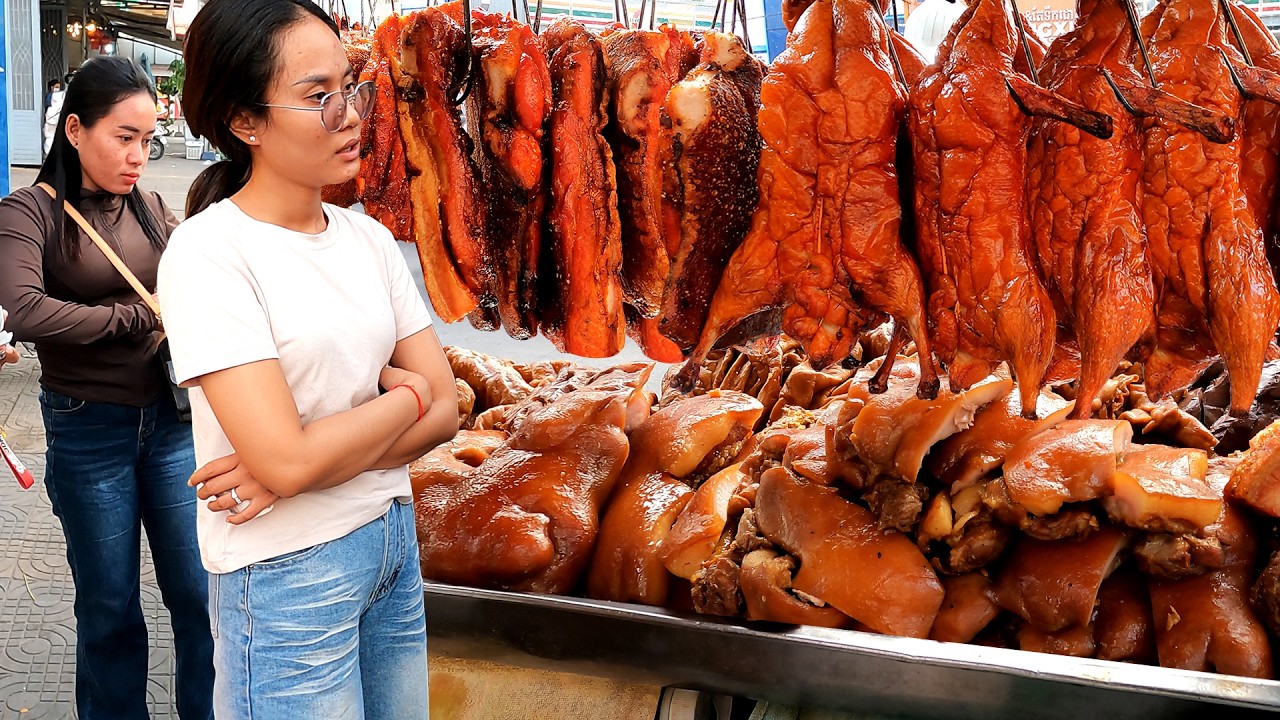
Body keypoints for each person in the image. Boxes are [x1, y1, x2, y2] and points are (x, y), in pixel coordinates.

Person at [159, 0, 458, 716]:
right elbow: (416, 406)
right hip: (288, 574)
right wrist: (405, 399)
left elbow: (451, 413)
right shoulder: (210, 254)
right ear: (244, 121)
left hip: (391, 546)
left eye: (350, 88)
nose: (350, 114)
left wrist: (299, 467)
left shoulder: (368, 240)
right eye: (317, 97)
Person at [0, 57, 214, 719]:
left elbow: (194, 278)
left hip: (171, 425)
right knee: (109, 604)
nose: (139, 156)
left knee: (198, 596)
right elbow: (24, 308)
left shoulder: (150, 207)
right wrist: (131, 317)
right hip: (88, 429)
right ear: (73, 130)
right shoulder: (28, 211)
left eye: (148, 141)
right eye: (124, 137)